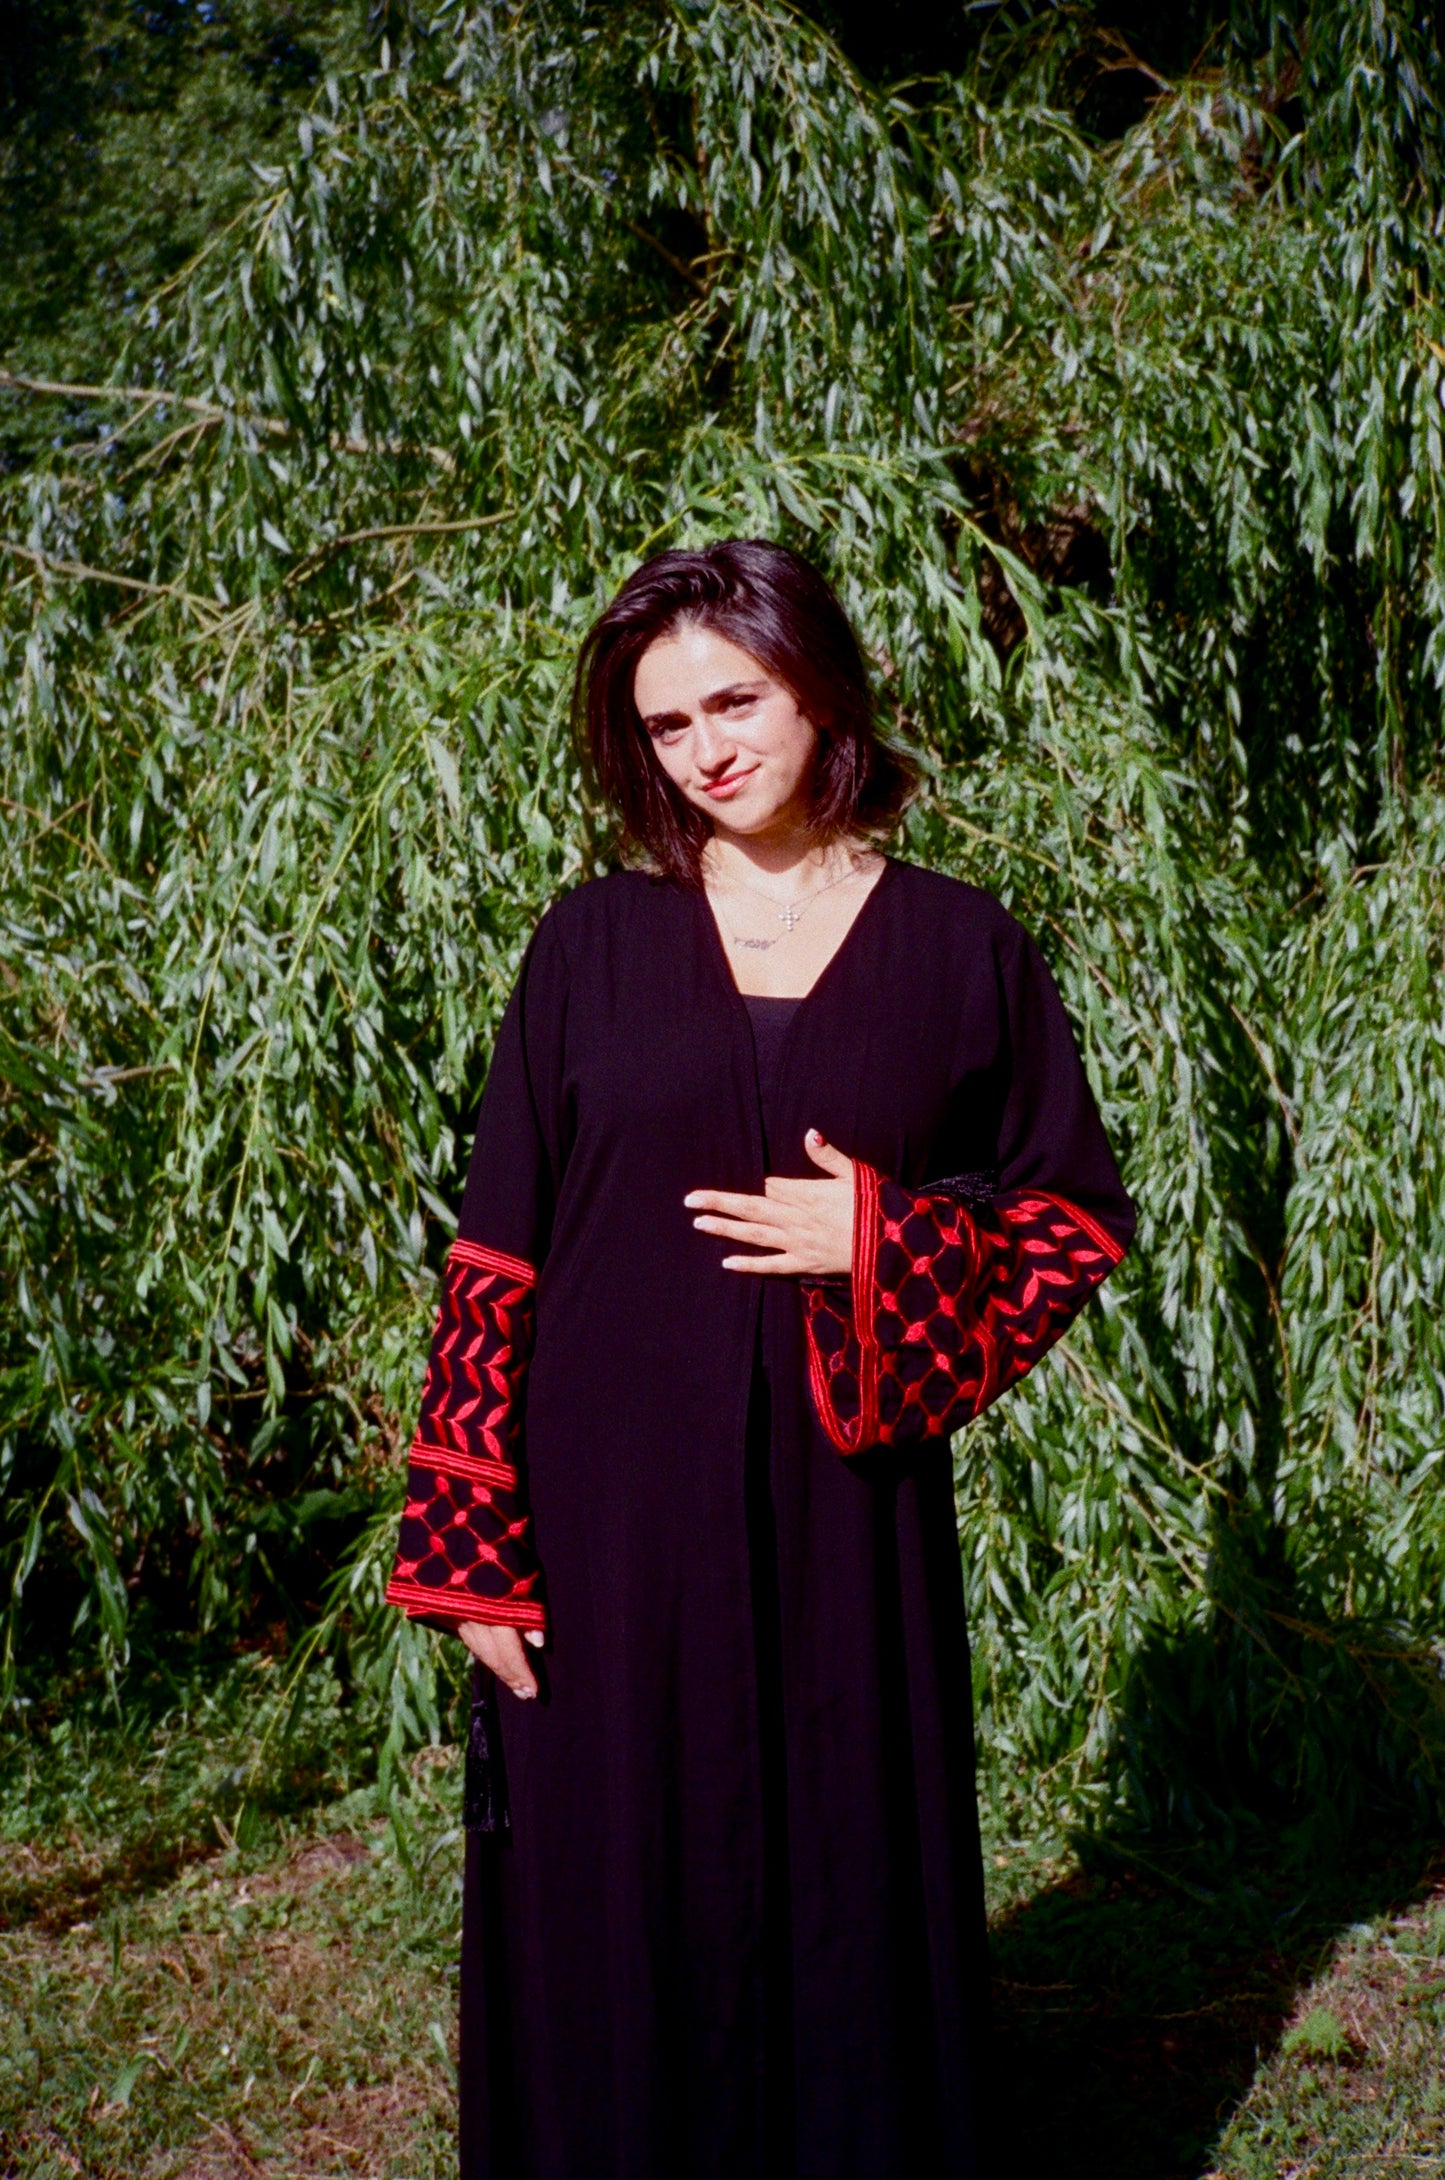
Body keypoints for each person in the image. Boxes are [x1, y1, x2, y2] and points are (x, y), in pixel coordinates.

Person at [384, 538, 1135, 2179]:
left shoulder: (958, 946)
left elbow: (1070, 1217)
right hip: (600, 1516)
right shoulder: (586, 945)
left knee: (839, 1862)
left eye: (736, 698)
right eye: (664, 726)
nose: (708, 746)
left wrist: (889, 1246)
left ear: (820, 689)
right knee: (608, 1888)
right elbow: (496, 1250)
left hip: (839, 1510)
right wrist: (466, 1544)